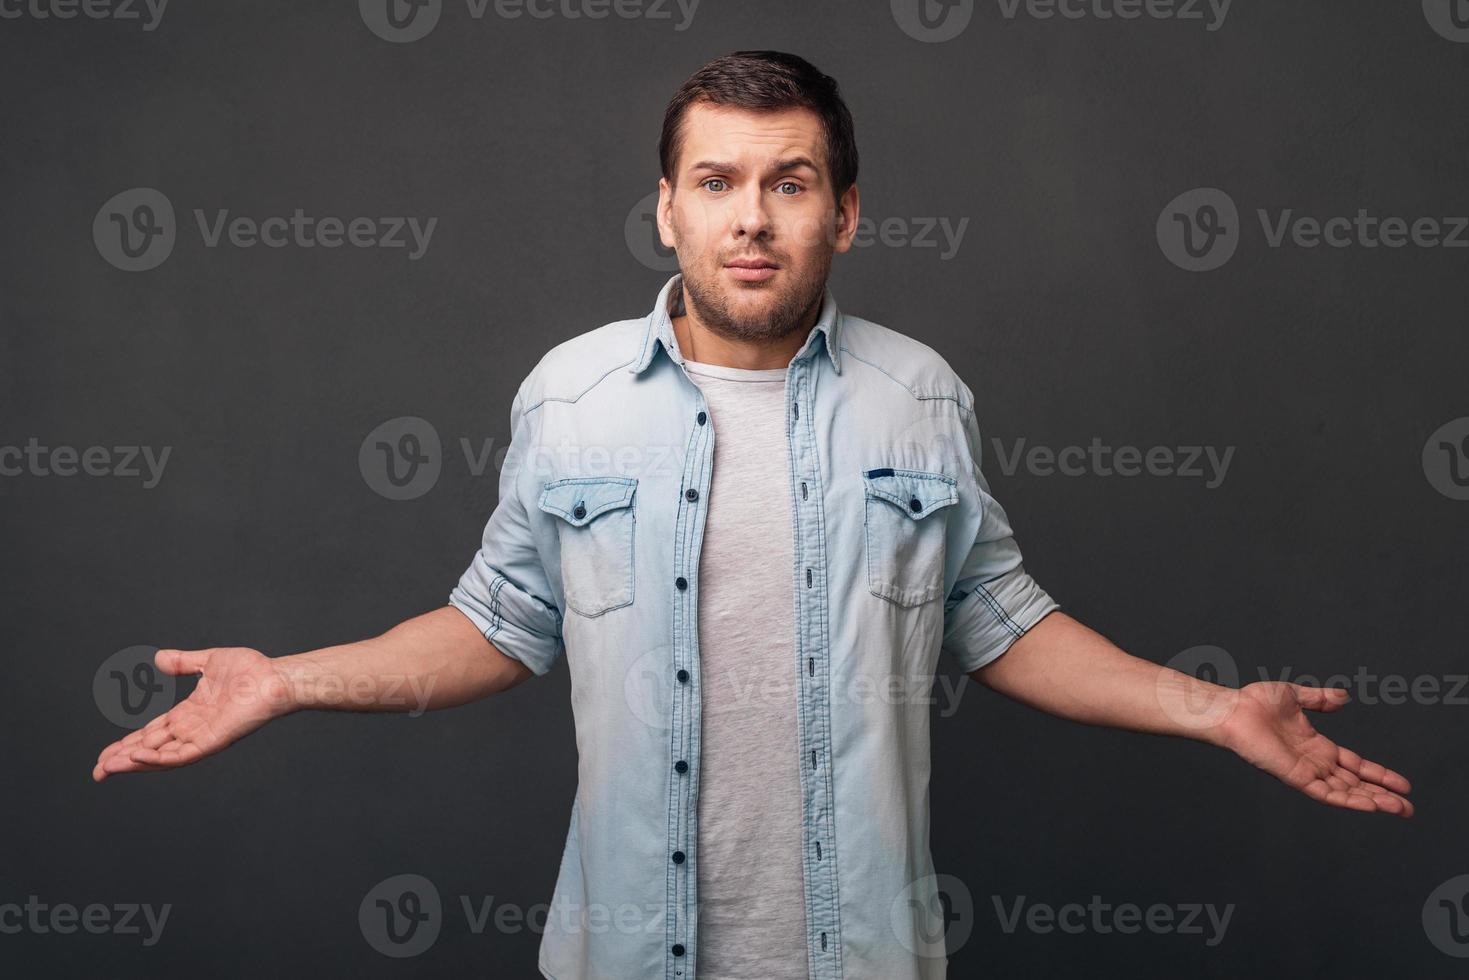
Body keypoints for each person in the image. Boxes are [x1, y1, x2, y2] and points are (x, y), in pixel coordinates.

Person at [92, 50, 1413, 980]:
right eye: (716, 182)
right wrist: (288, 683)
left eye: (787, 183)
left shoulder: (919, 398)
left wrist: (1209, 707)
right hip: (620, 954)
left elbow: (998, 621)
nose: (751, 219)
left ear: (842, 212)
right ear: (666, 209)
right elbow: (497, 625)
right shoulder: (570, 396)